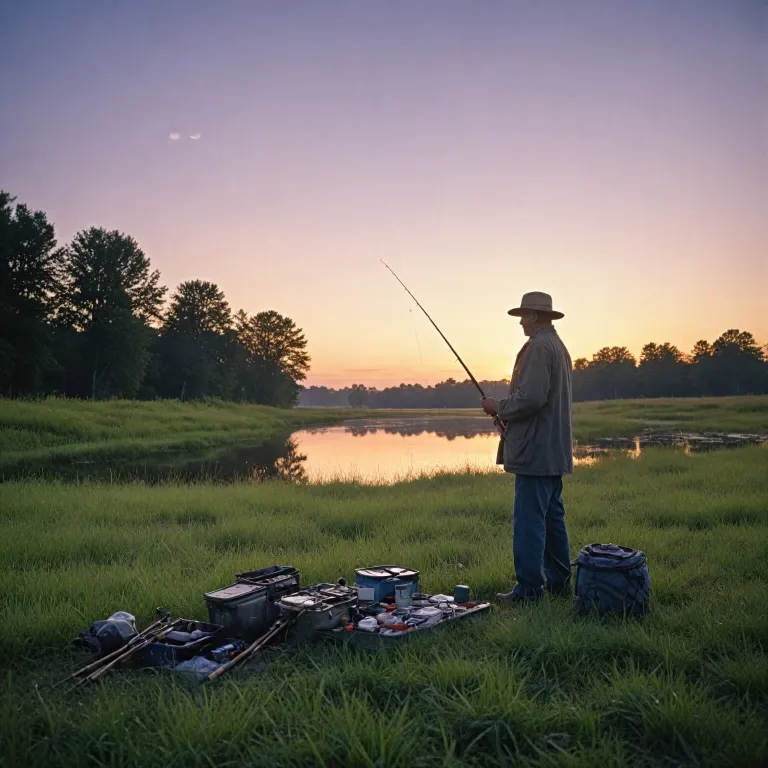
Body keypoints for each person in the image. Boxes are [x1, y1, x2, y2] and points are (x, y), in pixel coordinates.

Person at [480, 291, 573, 602]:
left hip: (535, 452)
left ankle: (529, 590)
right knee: (552, 519)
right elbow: (541, 402)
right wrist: (510, 417)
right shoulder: (558, 347)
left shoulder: (537, 347)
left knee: (529, 523)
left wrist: (499, 407)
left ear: (535, 316)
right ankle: (559, 583)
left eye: (524, 315)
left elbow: (532, 398)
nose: (520, 322)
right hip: (552, 451)